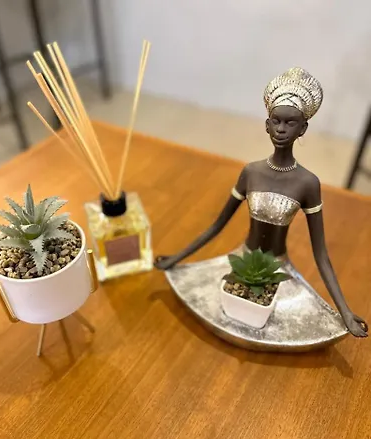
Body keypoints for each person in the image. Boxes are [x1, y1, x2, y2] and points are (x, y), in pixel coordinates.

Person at [155, 67, 368, 338]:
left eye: (290, 123)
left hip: (279, 271)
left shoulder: (307, 183)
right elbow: (217, 226)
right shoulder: (251, 172)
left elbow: (320, 254)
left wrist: (345, 312)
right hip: (241, 263)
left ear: (303, 128)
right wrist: (176, 259)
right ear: (267, 125)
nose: (281, 129)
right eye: (276, 121)